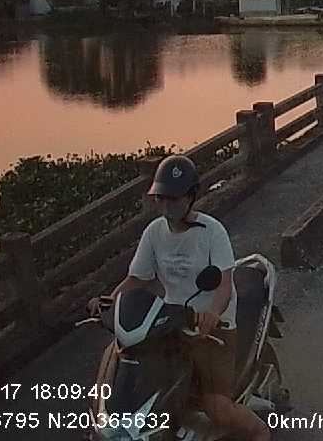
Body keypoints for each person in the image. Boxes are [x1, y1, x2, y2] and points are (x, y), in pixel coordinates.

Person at [106, 155, 269, 441]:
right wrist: (110, 302)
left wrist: (212, 314)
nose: (167, 205)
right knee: (142, 387)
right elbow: (137, 279)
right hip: (169, 326)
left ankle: (261, 434)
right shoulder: (154, 232)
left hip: (211, 331)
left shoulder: (212, 231)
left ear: (191, 196)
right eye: (162, 198)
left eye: (175, 198)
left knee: (217, 407)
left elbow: (224, 284)